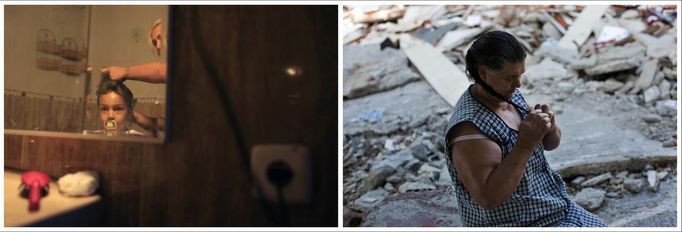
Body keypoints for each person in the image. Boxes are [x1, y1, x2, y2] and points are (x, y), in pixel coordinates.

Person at [443, 31, 606, 227]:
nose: (518, 84)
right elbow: (488, 198)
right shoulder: (470, 131)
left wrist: (549, 126)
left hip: (554, 208)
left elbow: (551, 144)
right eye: (510, 77)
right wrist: (524, 145)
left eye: (520, 75)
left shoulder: (508, 96)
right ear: (483, 73)